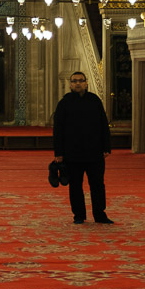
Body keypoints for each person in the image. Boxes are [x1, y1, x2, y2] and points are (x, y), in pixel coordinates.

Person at [52, 71, 114, 224]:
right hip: (72, 154)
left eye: (80, 81)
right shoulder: (64, 103)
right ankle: (79, 215)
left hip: (94, 152)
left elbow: (103, 125)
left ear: (86, 83)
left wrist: (107, 147)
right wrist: (58, 153)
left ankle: (100, 214)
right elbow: (58, 130)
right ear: (70, 84)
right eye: (74, 81)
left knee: (98, 185)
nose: (77, 83)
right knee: (75, 186)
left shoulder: (94, 101)